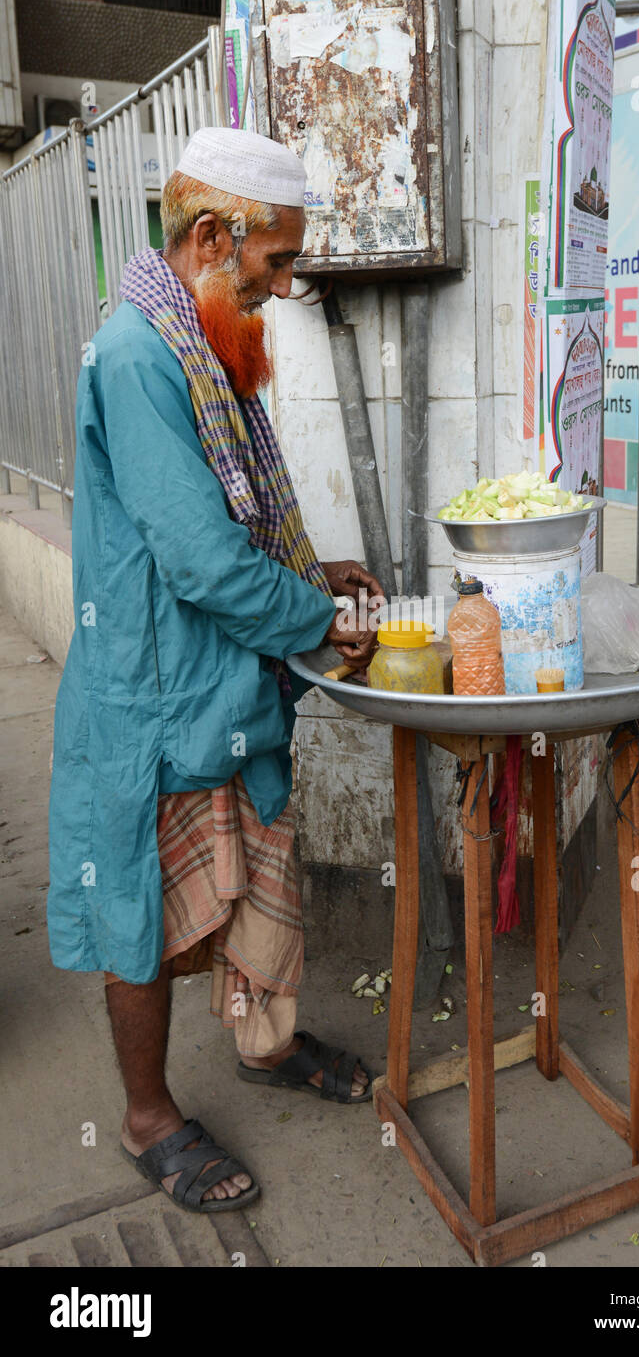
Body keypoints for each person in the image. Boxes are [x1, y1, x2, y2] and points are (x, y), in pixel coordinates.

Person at [48, 127, 385, 1214]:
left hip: (223, 681)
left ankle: (262, 1044)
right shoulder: (140, 354)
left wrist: (306, 569)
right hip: (154, 690)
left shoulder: (199, 337)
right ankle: (148, 1115)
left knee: (255, 878)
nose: (284, 288)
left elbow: (236, 520)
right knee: (143, 909)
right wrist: (318, 615)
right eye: (275, 264)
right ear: (208, 236)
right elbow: (198, 559)